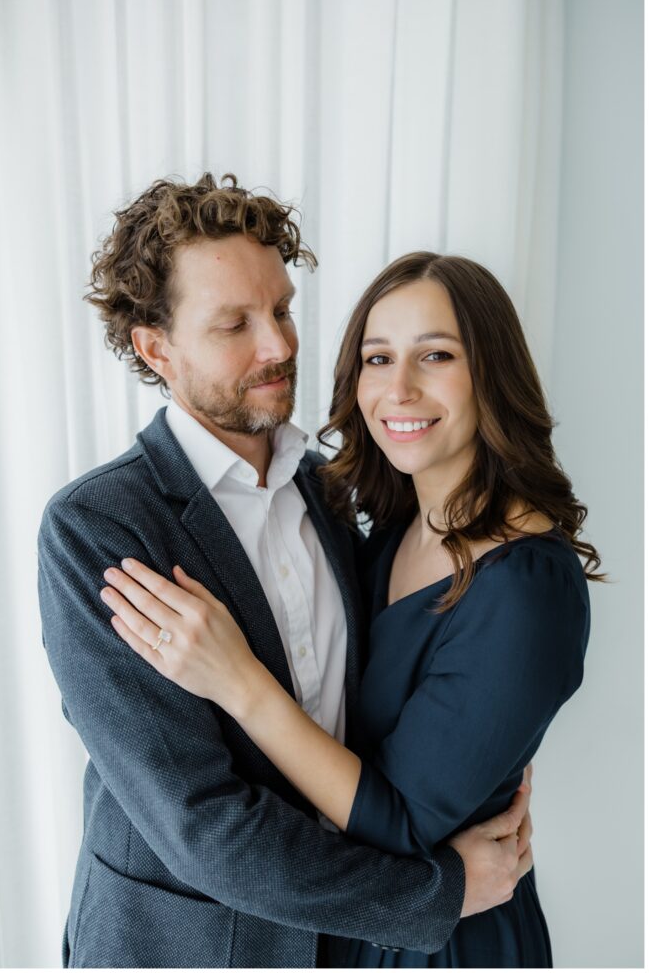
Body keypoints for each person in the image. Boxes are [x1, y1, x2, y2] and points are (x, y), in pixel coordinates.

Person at [38, 175, 533, 969]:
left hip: (348, 943)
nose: (278, 346)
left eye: (281, 309)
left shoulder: (336, 487)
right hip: (188, 948)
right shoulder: (99, 528)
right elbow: (202, 825)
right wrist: (435, 893)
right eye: (234, 324)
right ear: (156, 348)